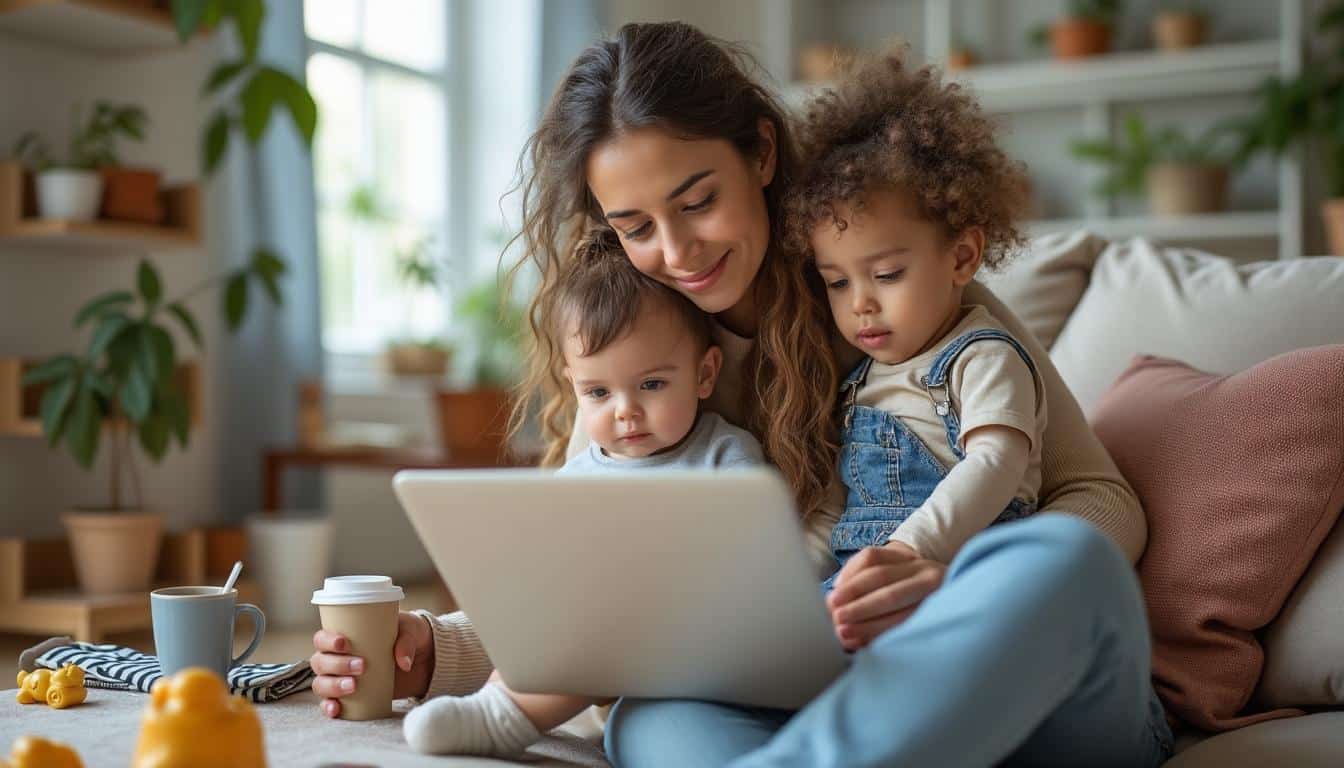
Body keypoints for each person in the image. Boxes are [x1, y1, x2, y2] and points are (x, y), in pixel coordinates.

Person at [311, 21, 1173, 768]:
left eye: (698, 201)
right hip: (811, 692)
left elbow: (1102, 500)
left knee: (1071, 562)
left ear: (761, 154)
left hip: (997, 677)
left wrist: (947, 565)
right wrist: (436, 649)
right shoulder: (637, 358)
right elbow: (603, 584)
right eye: (636, 226)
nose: (678, 250)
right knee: (655, 718)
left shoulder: (888, 288)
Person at [398, 229, 763, 758]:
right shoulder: (577, 482)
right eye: (598, 392)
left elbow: (756, 569)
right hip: (614, 665)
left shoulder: (727, 457)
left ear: (705, 373)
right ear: (573, 386)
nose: (625, 411)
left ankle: (505, 718)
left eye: (653, 385)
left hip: (708, 651)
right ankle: (500, 700)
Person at [791, 50, 1047, 599]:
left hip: (965, 576)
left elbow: (996, 462)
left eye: (886, 274)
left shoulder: (983, 357)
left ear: (961, 258)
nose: (860, 303)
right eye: (836, 282)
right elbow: (836, 511)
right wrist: (786, 585)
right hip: (867, 584)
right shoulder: (859, 381)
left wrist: (910, 551)